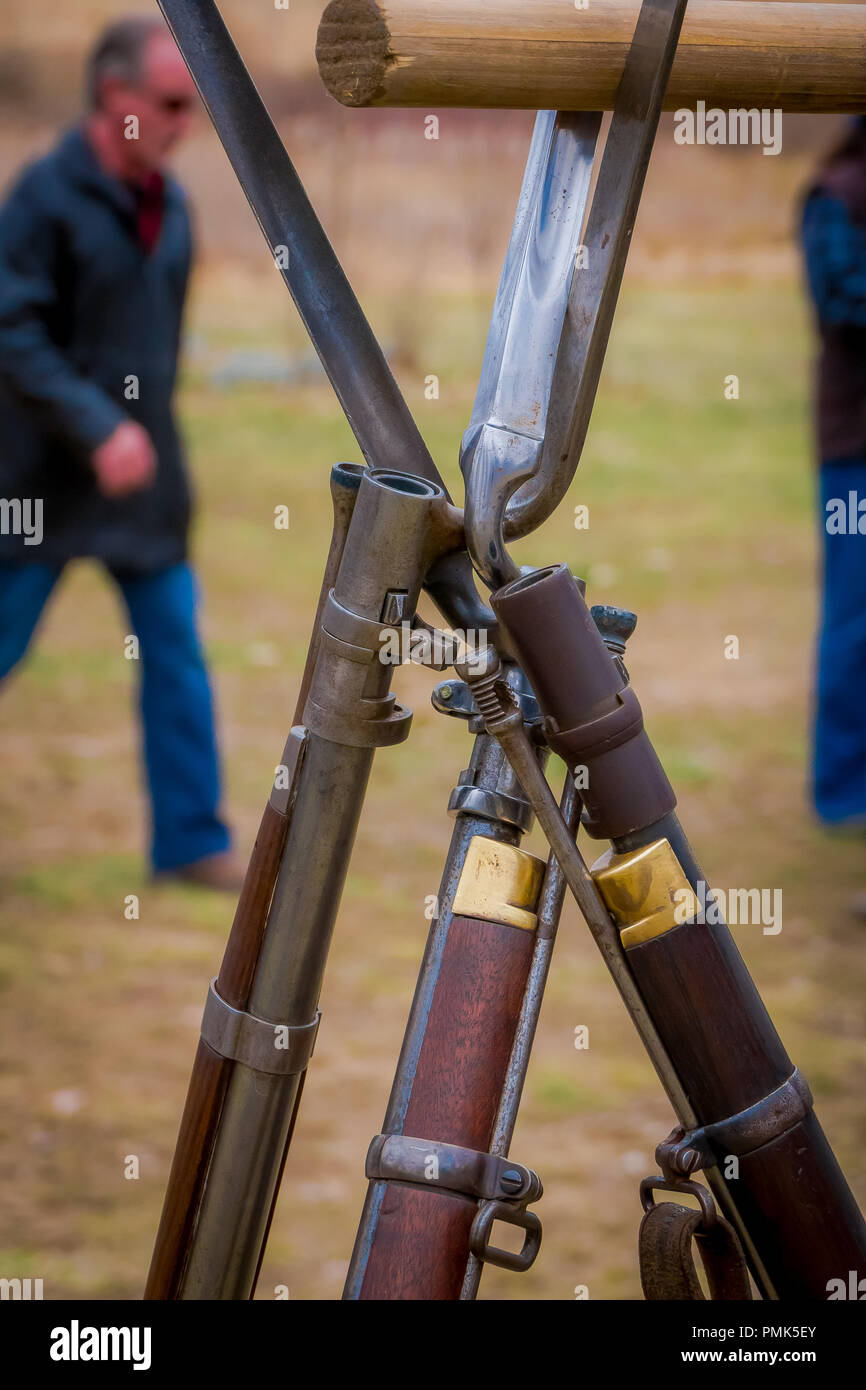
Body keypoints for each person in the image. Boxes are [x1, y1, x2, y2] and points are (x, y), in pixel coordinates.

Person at [0, 16, 243, 890]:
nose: (186, 123)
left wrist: (143, 445)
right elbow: (10, 331)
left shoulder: (169, 207)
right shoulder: (41, 199)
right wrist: (97, 426)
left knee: (174, 651)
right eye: (174, 102)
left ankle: (192, 841)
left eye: (195, 105)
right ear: (116, 99)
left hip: (143, 489)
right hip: (34, 485)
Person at [800, 117, 866, 855]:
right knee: (856, 623)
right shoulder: (837, 195)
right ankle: (845, 793)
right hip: (857, 448)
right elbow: (844, 305)